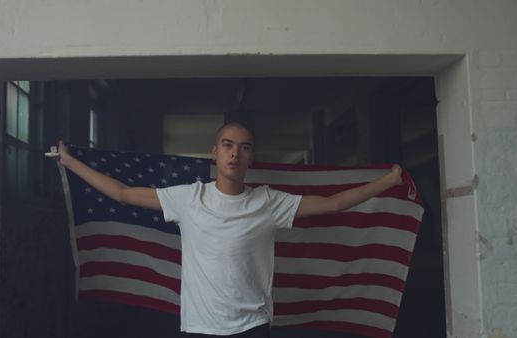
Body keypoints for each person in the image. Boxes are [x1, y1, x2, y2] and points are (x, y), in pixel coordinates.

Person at [54, 122, 402, 338]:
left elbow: (333, 204)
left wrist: (388, 180)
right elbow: (121, 193)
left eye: (244, 147)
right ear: (215, 154)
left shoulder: (268, 202)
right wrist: (70, 162)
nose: (235, 153)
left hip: (251, 327)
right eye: (228, 145)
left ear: (251, 158)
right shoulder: (189, 198)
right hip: (202, 327)